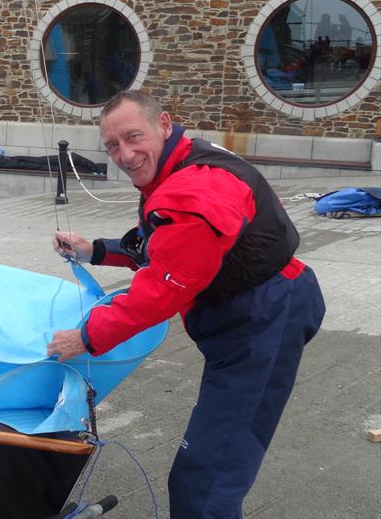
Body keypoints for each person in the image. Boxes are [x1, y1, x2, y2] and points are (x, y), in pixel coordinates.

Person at [48, 91, 325, 518]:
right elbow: (166, 241)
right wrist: (96, 251)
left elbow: (164, 286)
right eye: (112, 146)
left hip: (264, 319)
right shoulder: (180, 161)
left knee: (204, 481)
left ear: (163, 124)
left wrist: (85, 337)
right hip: (251, 311)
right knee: (207, 470)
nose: (125, 154)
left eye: (133, 136)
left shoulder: (197, 186)